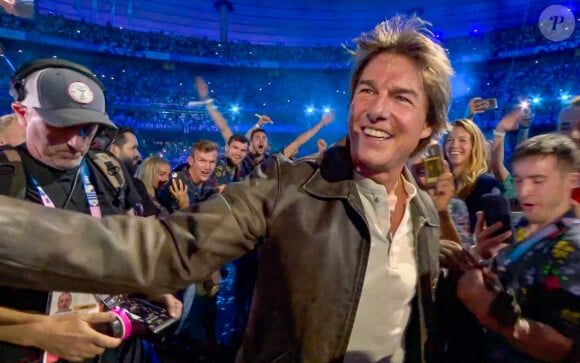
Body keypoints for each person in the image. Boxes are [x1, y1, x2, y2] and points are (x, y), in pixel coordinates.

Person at [0, 15, 453, 362]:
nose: (376, 109)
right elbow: (164, 248)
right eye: (367, 91)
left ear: (429, 125)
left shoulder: (424, 214)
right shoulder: (287, 186)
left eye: (401, 98)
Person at [0, 58, 157, 363]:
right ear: (22, 114)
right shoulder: (4, 178)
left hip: (113, 345)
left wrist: (146, 288)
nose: (76, 142)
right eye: (60, 126)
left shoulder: (110, 171)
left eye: (88, 129)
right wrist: (34, 330)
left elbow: (128, 247)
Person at [458, 133, 580, 363]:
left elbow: (566, 349)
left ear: (571, 181)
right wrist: (482, 258)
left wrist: (488, 311)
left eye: (538, 180)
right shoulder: (527, 224)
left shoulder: (574, 247)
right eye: (519, 180)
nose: (524, 191)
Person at [444, 118, 504, 231]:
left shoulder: (487, 185)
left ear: (474, 146)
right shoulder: (441, 184)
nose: (454, 145)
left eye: (462, 140)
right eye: (450, 139)